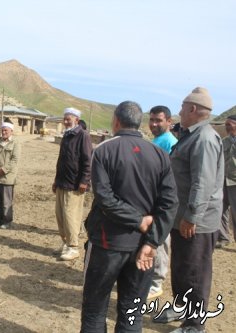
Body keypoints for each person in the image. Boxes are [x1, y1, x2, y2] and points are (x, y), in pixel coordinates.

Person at [81, 101, 178, 332]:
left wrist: (141, 225)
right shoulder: (159, 154)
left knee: (95, 308)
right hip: (143, 247)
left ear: (116, 120)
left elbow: (105, 199)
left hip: (107, 244)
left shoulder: (104, 150)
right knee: (131, 312)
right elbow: (170, 203)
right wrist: (152, 241)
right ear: (140, 122)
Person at [155, 87, 223, 333]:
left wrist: (191, 216)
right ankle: (181, 306)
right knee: (181, 267)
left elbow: (202, 183)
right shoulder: (190, 135)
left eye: (182, 108)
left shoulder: (204, 138)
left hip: (197, 221)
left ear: (193, 109)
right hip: (182, 216)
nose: (180, 112)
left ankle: (195, 324)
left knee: (195, 271)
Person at [52, 107, 92, 261]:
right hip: (62, 182)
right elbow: (61, 161)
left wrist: (84, 181)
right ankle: (66, 243)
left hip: (75, 184)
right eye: (65, 118)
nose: (65, 121)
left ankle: (73, 246)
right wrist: (56, 180)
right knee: (60, 215)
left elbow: (87, 160)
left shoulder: (83, 135)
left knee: (71, 216)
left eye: (68, 118)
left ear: (76, 119)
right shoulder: (67, 135)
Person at [147, 105, 178, 300]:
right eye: (151, 120)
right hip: (151, 198)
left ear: (169, 122)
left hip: (161, 200)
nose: (154, 124)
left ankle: (157, 282)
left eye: (158, 120)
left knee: (161, 239)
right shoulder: (157, 140)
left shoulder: (169, 142)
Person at [0, 121, 21, 229]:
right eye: (2, 130)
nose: (3, 132)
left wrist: (3, 170)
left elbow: (14, 160)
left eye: (6, 130)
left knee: (6, 201)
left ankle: (7, 221)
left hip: (7, 177)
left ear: (11, 131)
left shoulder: (15, 143)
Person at [216, 115, 236, 248]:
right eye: (226, 125)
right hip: (223, 180)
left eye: (229, 124)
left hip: (235, 182)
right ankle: (223, 238)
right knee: (220, 210)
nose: (227, 127)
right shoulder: (224, 141)